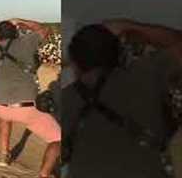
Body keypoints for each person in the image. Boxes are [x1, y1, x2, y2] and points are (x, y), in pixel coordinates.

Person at [62, 19, 182, 178]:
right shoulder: (146, 75)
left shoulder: (65, 98)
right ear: (118, 54)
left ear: (74, 62)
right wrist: (128, 26)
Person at [0, 20, 61, 177]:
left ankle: (3, 155)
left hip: (0, 106)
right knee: (58, 139)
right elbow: (44, 29)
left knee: (4, 115)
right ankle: (44, 174)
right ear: (16, 33)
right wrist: (22, 22)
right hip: (26, 108)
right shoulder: (26, 43)